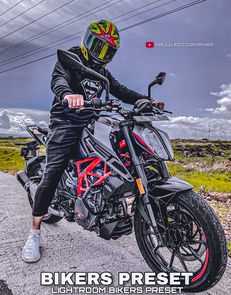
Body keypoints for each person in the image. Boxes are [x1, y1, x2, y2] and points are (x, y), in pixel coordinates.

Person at [21, 19, 164, 263]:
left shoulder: (103, 72)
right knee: (53, 171)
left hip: (91, 123)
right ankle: (34, 233)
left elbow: (120, 90)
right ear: (87, 41)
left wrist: (146, 101)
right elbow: (58, 81)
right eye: (99, 47)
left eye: (108, 50)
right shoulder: (70, 59)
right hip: (66, 122)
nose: (102, 54)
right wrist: (68, 95)